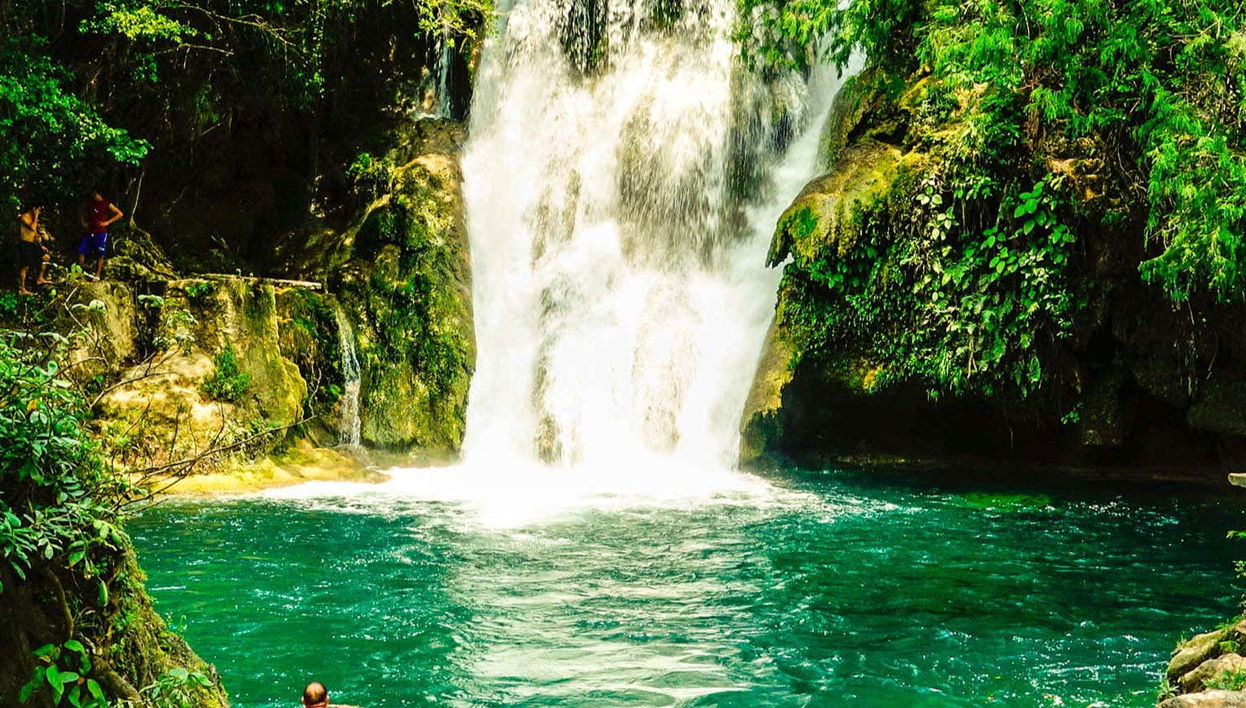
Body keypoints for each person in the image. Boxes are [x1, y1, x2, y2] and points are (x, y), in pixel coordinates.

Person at [79, 191, 123, 280]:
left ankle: (97, 274)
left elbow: (119, 214)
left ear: (99, 194)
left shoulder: (106, 203)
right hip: (89, 230)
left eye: (95, 195)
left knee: (100, 253)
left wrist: (107, 222)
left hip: (100, 231)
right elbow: (81, 211)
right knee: (82, 251)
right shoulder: (90, 204)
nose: (94, 197)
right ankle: (80, 272)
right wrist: (83, 222)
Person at [17, 204, 52, 295]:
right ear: (33, 209)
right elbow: (32, 227)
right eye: (38, 210)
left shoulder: (34, 219)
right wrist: (36, 216)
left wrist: (40, 246)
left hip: (33, 244)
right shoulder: (24, 217)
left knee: (46, 257)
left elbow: (35, 234)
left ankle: (40, 278)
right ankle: (22, 288)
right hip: (25, 243)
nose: (39, 212)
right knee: (25, 266)